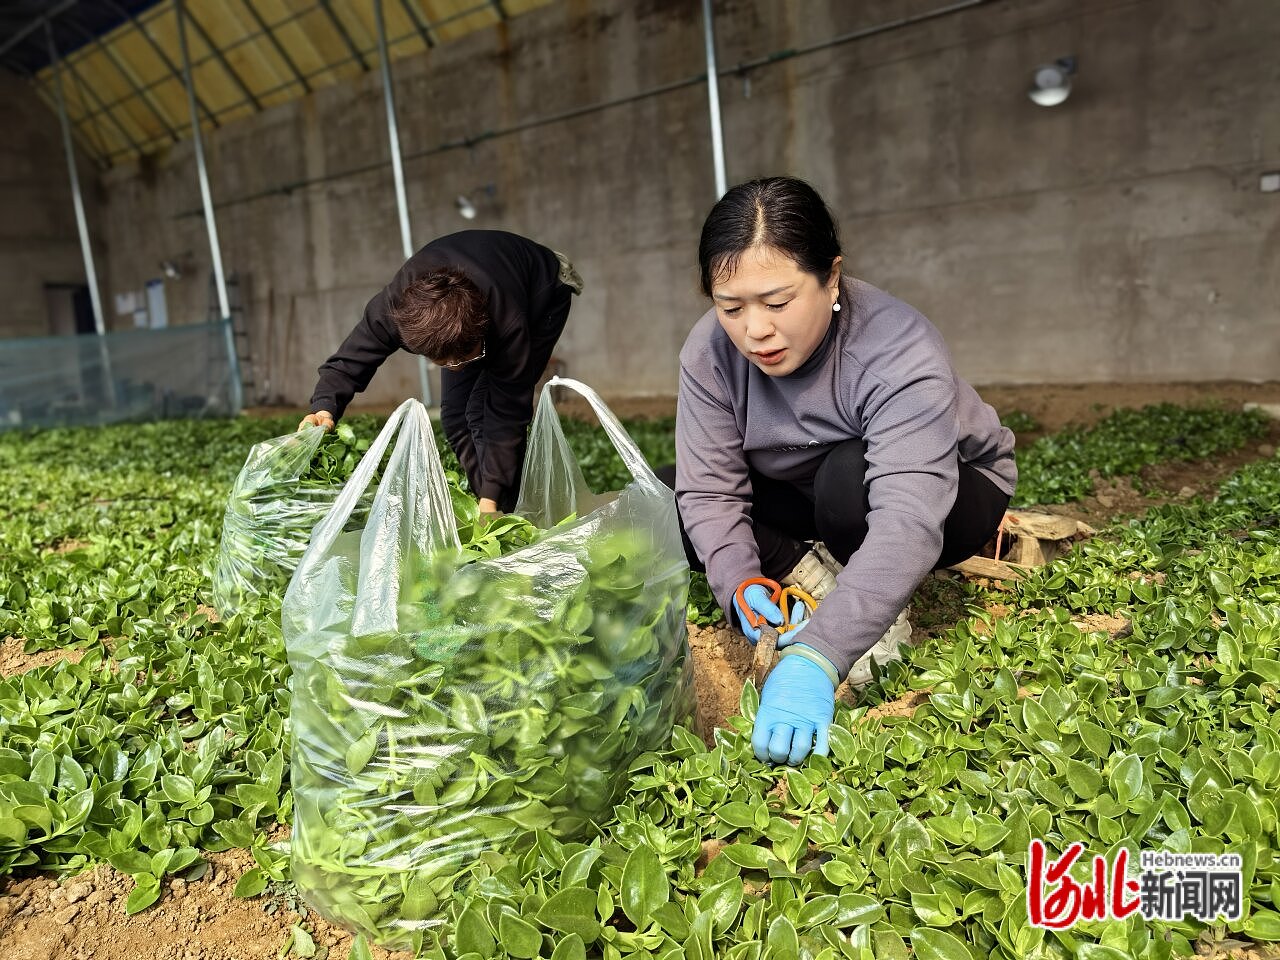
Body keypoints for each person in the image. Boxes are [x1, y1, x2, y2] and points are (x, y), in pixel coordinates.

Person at [670, 177, 1016, 767]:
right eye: (731, 307)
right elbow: (708, 487)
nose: (755, 330)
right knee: (667, 492)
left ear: (831, 277)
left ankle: (874, 619)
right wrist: (738, 583)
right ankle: (815, 571)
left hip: (946, 489)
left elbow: (908, 517)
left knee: (846, 481)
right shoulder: (710, 354)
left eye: (778, 303)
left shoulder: (895, 347)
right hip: (802, 485)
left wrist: (819, 655)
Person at [300, 230, 584, 515]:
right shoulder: (392, 311)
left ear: (479, 330)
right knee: (455, 415)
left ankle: (509, 509)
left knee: (482, 413)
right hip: (478, 285)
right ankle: (489, 503)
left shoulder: (508, 322)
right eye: (445, 362)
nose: (456, 368)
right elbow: (349, 361)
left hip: (544, 290)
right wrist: (324, 407)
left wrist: (494, 492)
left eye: (465, 358)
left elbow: (507, 411)